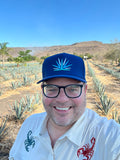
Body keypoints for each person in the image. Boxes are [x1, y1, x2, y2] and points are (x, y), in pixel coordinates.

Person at [9, 53, 120, 160]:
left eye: (72, 89)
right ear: (42, 90)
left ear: (85, 90)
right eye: (52, 89)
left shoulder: (109, 136)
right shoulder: (29, 124)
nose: (62, 99)